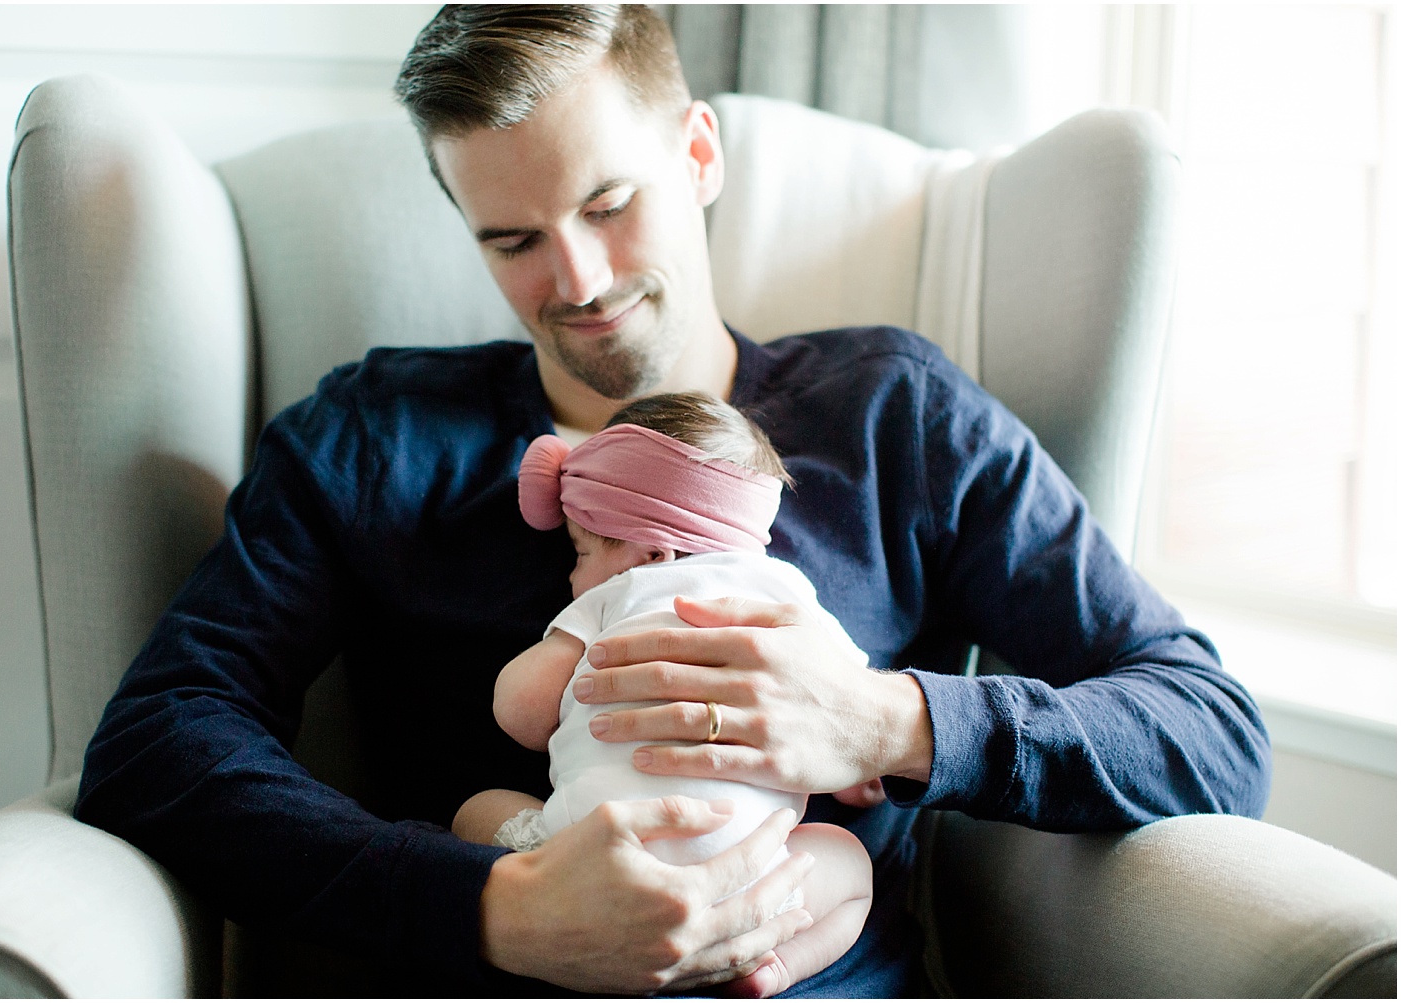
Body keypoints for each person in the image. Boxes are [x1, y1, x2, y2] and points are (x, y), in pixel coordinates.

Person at [74, 4, 1272, 996]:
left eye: (608, 205)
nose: (578, 281)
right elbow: (160, 737)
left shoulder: (891, 414)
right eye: (513, 238)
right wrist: (492, 906)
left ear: (698, 155)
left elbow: (1209, 729)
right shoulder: (372, 436)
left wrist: (883, 723)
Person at [453, 391, 877, 998]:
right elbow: (852, 725)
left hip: (584, 864)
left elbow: (519, 713)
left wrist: (549, 655)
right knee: (848, 862)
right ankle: (773, 966)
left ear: (652, 552)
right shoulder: (791, 598)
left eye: (580, 552)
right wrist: (864, 775)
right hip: (749, 881)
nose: (573, 575)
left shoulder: (611, 598)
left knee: (479, 808)